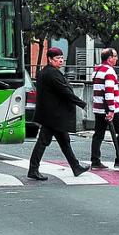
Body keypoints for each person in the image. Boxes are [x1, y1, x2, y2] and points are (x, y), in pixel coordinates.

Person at [27, 47, 89, 180]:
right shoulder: (52, 74)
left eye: (62, 58)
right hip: (53, 116)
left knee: (64, 141)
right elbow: (65, 91)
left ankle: (75, 166)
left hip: (53, 115)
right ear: (49, 59)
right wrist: (81, 103)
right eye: (57, 59)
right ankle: (33, 169)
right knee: (44, 141)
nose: (61, 61)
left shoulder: (48, 72)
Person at [91, 48, 119, 169]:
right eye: (115, 56)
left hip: (98, 107)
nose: (117, 58)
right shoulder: (109, 71)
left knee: (98, 134)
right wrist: (111, 110)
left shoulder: (97, 69)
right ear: (110, 58)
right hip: (110, 108)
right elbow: (109, 92)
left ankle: (95, 160)